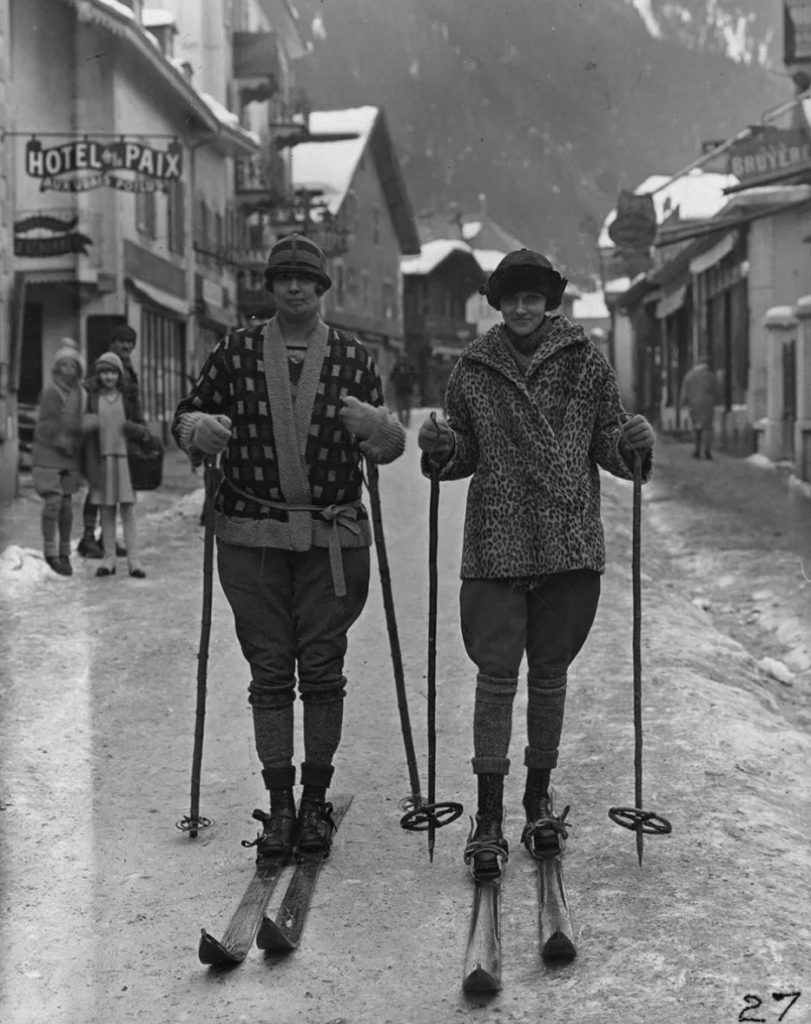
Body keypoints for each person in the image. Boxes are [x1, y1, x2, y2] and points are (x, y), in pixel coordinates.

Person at [417, 248, 655, 880]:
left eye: (534, 297)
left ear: (552, 302)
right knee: (496, 677)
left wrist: (632, 445)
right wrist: (441, 449)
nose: (523, 309)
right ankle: (490, 815)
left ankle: (537, 798)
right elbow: (462, 453)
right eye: (511, 298)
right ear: (497, 304)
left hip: (568, 542)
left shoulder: (586, 363)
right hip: (496, 541)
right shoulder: (473, 369)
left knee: (549, 675)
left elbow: (608, 443)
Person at [172, 234, 406, 859]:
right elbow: (188, 415)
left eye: (305, 279)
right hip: (252, 535)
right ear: (271, 287)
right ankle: (279, 806)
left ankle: (315, 802)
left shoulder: (354, 357)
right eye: (283, 279)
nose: (295, 288)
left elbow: (387, 444)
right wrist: (203, 429)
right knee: (270, 670)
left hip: (333, 538)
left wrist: (375, 428)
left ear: (321, 287)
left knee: (324, 670)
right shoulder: (238, 349)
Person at [82, 351, 150, 579]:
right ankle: (108, 559)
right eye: (104, 372)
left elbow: (143, 429)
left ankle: (134, 561)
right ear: (98, 374)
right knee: (106, 512)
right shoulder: (93, 399)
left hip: (125, 462)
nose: (108, 377)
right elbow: (84, 431)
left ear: (119, 374)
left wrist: (134, 429)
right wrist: (86, 424)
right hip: (102, 461)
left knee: (128, 512)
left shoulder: (128, 398)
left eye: (112, 372)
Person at [78, 323, 142, 557]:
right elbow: (88, 393)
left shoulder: (128, 369)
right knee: (97, 489)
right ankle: (87, 538)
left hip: (120, 439)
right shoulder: (104, 368)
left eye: (130, 342)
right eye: (122, 341)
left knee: (114, 491)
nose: (126, 345)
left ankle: (107, 540)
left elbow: (133, 403)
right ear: (112, 343)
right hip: (99, 440)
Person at [31, 338, 86, 576]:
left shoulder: (80, 394)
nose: (68, 370)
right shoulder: (50, 391)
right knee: (53, 503)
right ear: (56, 368)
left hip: (70, 456)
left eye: (73, 366)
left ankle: (65, 552)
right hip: (49, 454)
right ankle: (50, 551)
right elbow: (44, 425)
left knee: (66, 506)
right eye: (63, 365)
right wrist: (61, 436)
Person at [680, 358, 718, 460]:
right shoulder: (710, 376)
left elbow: (684, 392)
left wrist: (683, 403)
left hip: (693, 405)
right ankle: (707, 451)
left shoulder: (689, 376)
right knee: (707, 428)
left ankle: (697, 450)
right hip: (707, 404)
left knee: (696, 427)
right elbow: (715, 390)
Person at [389, 357, 417, 427]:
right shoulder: (409, 367)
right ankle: (406, 423)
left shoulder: (397, 367)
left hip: (401, 389)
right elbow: (415, 378)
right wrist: (411, 384)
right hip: (406, 390)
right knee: (406, 408)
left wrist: (395, 384)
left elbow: (391, 378)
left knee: (401, 408)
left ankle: (403, 422)